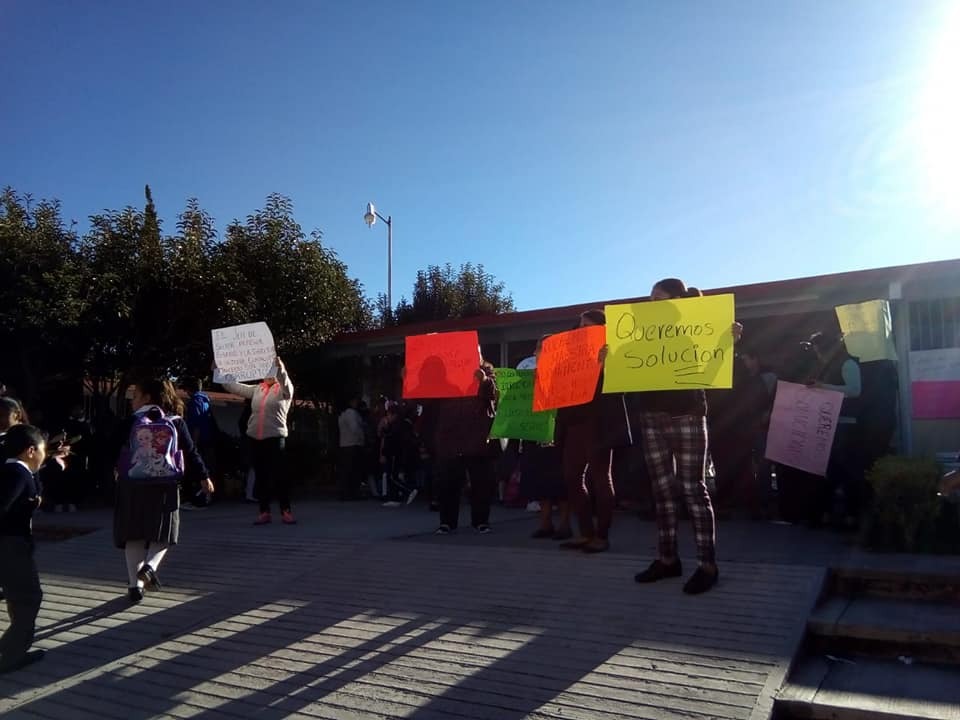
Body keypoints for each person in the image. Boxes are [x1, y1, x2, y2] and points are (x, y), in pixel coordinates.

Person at [633, 279, 720, 595]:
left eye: (659, 297)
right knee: (662, 491)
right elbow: (628, 365)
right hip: (651, 416)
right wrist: (608, 358)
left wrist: (727, 339)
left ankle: (707, 565)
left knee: (693, 489)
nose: (651, 302)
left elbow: (713, 368)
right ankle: (667, 559)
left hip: (687, 414)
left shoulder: (698, 327)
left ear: (677, 300)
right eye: (650, 297)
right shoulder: (640, 331)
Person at [114, 375, 213, 603]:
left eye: (135, 395)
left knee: (134, 536)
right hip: (165, 484)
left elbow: (112, 448)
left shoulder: (131, 421)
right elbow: (190, 451)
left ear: (146, 397)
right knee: (163, 535)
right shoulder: (175, 421)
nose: (132, 400)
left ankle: (134, 586)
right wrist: (204, 477)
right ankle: (150, 567)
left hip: (132, 484)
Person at [556, 311, 631, 554]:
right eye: (579, 326)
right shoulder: (571, 355)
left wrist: (606, 364)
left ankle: (602, 536)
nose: (581, 330)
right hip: (574, 420)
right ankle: (586, 533)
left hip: (599, 421)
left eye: (587, 326)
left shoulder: (612, 353)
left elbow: (623, 387)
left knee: (601, 477)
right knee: (571, 476)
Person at [219, 357, 296, 525]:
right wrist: (218, 371)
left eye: (271, 371)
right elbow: (233, 386)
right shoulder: (257, 390)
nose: (268, 375)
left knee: (279, 476)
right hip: (255, 438)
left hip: (275, 438)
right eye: (266, 371)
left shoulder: (284, 390)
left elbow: (285, 382)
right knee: (261, 476)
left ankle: (286, 511)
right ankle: (264, 511)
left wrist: (280, 368)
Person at [426, 361, 499, 534]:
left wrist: (484, 380)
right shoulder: (444, 376)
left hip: (477, 438)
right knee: (447, 482)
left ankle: (481, 521)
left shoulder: (485, 371)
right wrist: (409, 379)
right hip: (450, 438)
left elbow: (495, 396)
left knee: (481, 482)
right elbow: (428, 400)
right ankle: (447, 522)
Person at [0, 424, 47, 673]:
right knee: (29, 597)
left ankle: (10, 646)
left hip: (10, 545)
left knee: (19, 597)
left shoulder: (9, 469)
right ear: (31, 450)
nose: (44, 455)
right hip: (12, 545)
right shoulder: (18, 474)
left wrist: (29, 504)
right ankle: (11, 654)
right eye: (42, 450)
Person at [806, 331, 863, 526]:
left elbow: (854, 390)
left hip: (846, 423)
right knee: (828, 471)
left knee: (847, 471)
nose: (818, 355)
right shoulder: (827, 366)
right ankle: (827, 514)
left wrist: (824, 387)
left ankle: (851, 515)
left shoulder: (848, 363)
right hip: (828, 423)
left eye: (818, 350)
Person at [518, 336, 571, 540]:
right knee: (538, 480)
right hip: (534, 435)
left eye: (540, 348)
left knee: (560, 481)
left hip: (558, 436)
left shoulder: (566, 376)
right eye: (537, 348)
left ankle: (565, 524)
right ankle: (545, 523)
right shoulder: (528, 378)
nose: (536, 352)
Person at [182, 378, 216, 509]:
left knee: (196, 471)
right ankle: (206, 497)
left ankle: (197, 500)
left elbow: (196, 424)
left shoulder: (194, 402)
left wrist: (193, 444)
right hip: (208, 440)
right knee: (205, 468)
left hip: (199, 441)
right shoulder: (206, 400)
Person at [337, 397, 366, 501]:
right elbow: (355, 429)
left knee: (346, 470)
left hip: (344, 444)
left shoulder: (342, 414)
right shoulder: (352, 413)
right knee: (354, 470)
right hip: (353, 444)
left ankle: (344, 492)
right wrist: (362, 437)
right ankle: (352, 493)